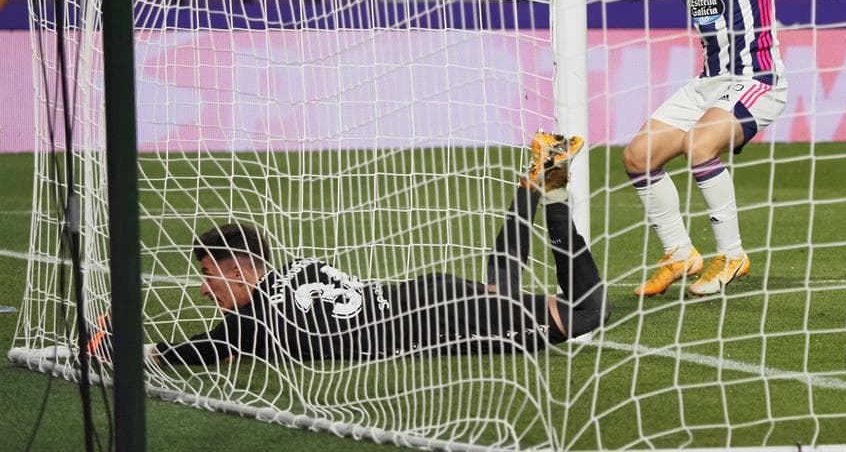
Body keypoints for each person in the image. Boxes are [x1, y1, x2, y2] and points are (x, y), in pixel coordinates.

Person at [534, 0, 846, 297]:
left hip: (757, 79)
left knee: (700, 145)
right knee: (638, 157)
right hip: (708, 82)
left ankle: (731, 254)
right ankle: (678, 254)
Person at [89, 131, 611, 365]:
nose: (204, 290)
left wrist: (126, 348)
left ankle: (554, 190)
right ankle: (538, 178)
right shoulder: (297, 270)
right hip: (432, 298)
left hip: (449, 318)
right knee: (501, 284)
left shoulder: (257, 318)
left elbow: (200, 350)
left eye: (209, 274)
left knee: (592, 311)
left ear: (241, 266)